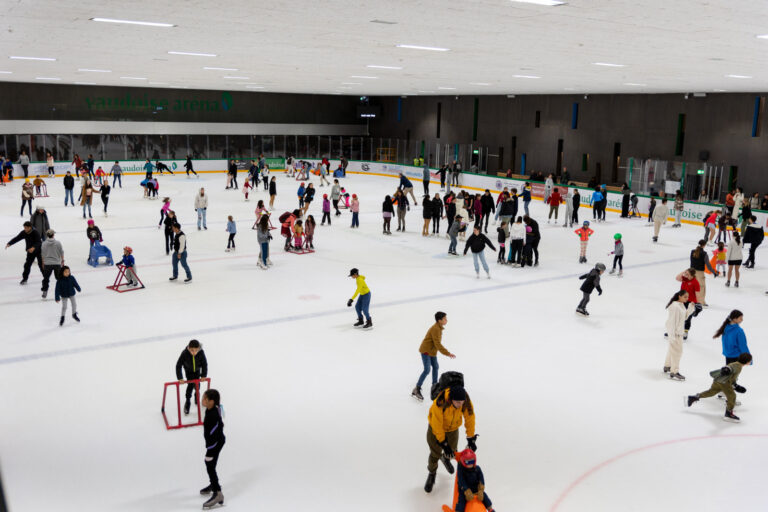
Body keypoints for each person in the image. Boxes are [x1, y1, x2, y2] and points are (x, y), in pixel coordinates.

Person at [424, 385, 476, 493]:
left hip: (452, 429)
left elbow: (470, 418)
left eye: (462, 402)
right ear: (451, 399)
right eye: (458, 402)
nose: (460, 405)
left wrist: (470, 438)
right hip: (435, 430)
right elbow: (437, 426)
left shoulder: (465, 401)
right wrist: (443, 443)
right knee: (435, 454)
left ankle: (445, 458)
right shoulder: (439, 403)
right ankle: (432, 473)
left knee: (452, 451)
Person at [686, 352, 752, 423]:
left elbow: (732, 377)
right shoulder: (738, 366)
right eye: (750, 361)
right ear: (747, 362)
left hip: (718, 380)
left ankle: (695, 397)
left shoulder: (737, 364)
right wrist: (727, 369)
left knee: (711, 392)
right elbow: (730, 367)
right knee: (732, 396)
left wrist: (736, 386)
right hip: (724, 383)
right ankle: (729, 413)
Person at [411, 312, 455, 401]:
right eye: (445, 319)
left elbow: (436, 344)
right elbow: (437, 344)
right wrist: (447, 353)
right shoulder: (436, 329)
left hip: (432, 351)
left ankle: (435, 387)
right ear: (439, 320)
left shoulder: (438, 328)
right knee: (427, 370)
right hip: (426, 351)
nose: (446, 320)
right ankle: (417, 388)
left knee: (435, 367)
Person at [200, 389, 226, 509]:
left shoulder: (212, 415)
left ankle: (218, 493)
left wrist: (210, 449)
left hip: (215, 443)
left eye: (205, 399)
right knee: (212, 464)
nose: (202, 400)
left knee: (209, 464)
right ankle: (213, 483)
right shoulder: (212, 409)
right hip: (218, 440)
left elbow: (214, 434)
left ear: (211, 401)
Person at [663, 290, 696, 381]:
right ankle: (674, 371)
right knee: (678, 352)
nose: (687, 298)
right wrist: (672, 335)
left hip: (678, 333)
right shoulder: (674, 306)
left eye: (687, 297)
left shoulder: (680, 305)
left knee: (672, 350)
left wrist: (690, 307)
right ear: (679, 296)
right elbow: (671, 322)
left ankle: (667, 365)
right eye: (685, 297)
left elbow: (684, 317)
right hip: (675, 333)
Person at [175, 339, 209, 414]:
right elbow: (178, 365)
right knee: (190, 386)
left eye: (196, 350)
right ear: (189, 348)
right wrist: (180, 378)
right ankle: (188, 401)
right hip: (189, 371)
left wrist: (203, 375)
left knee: (197, 386)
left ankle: (196, 396)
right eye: (192, 350)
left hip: (197, 371)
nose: (194, 352)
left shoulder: (201, 353)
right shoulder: (184, 353)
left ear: (199, 349)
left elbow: (204, 364)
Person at [675, 268, 702, 339]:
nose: (686, 275)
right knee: (678, 316)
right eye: (685, 274)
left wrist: (698, 303)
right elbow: (677, 278)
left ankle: (685, 332)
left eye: (688, 274)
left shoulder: (695, 282)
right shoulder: (685, 279)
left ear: (692, 275)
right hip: (681, 301)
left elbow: (697, 294)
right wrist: (684, 272)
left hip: (690, 302)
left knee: (687, 318)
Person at [689, 239, 717, 305]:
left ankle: (692, 300)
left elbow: (691, 261)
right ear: (704, 245)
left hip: (692, 272)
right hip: (699, 273)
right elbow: (708, 265)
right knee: (701, 287)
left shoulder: (692, 251)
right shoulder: (704, 254)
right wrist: (714, 272)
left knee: (693, 286)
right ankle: (700, 302)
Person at [41, 229, 64, 299]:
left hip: (47, 264)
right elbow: (61, 252)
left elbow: (43, 254)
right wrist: (62, 261)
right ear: (53, 235)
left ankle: (45, 291)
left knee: (46, 278)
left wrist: (43, 263)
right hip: (57, 263)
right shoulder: (58, 243)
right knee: (59, 278)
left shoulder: (44, 243)